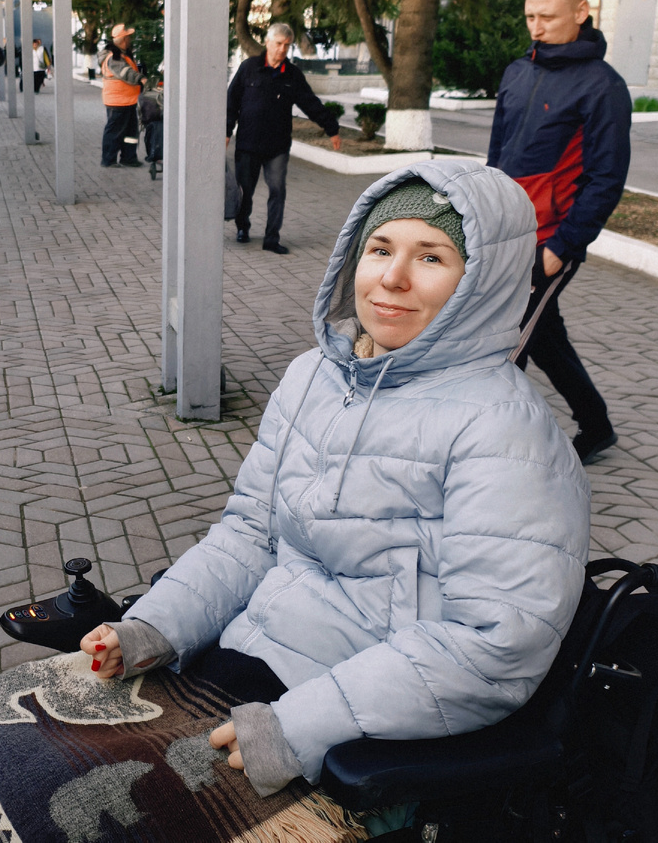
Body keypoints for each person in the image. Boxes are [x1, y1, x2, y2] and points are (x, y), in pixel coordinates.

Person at [82, 160, 591, 798]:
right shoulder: (315, 378)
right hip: (244, 661)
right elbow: (250, 534)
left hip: (354, 733)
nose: (393, 278)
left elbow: (495, 644)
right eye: (380, 249)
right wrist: (154, 627)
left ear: (481, 283)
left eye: (431, 258)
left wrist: (299, 728)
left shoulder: (506, 432)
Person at [488, 0, 631, 465]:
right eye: (530, 15)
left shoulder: (603, 87)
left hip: (548, 242)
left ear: (581, 12)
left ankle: (492, 455)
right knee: (544, 336)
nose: (536, 26)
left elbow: (606, 179)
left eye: (547, 16)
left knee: (507, 345)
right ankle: (596, 425)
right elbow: (496, 157)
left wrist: (562, 247)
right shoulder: (517, 71)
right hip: (503, 235)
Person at [226, 23, 342, 255]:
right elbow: (232, 102)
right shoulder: (249, 68)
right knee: (245, 190)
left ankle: (271, 238)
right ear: (268, 43)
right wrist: (226, 132)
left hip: (277, 146)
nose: (282, 49)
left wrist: (331, 128)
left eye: (286, 45)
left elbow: (310, 103)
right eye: (278, 44)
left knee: (277, 189)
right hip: (248, 143)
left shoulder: (292, 75)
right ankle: (242, 227)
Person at [100, 24, 147, 168]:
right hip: (118, 101)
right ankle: (108, 159)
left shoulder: (122, 55)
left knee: (131, 132)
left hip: (126, 100)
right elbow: (126, 72)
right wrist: (141, 79)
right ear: (124, 39)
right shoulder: (114, 57)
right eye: (129, 37)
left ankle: (129, 157)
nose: (131, 40)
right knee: (114, 132)